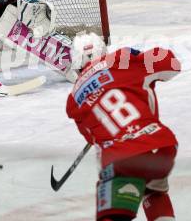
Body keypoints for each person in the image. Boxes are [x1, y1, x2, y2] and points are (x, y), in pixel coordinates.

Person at [66, 33, 181, 221]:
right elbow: (172, 64)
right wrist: (140, 59)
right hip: (160, 144)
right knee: (154, 192)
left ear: (76, 65)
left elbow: (94, 138)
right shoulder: (123, 59)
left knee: (113, 215)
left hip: (120, 154)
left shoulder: (73, 100)